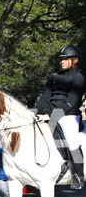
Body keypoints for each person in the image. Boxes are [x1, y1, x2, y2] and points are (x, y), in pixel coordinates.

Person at [35, 45, 86, 189]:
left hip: (68, 115)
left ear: (74, 60)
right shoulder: (54, 77)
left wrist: (52, 115)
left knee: (71, 141)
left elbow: (71, 101)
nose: (61, 61)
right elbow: (45, 98)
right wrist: (32, 111)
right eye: (61, 59)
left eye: (65, 59)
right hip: (51, 114)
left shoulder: (78, 77)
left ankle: (78, 175)